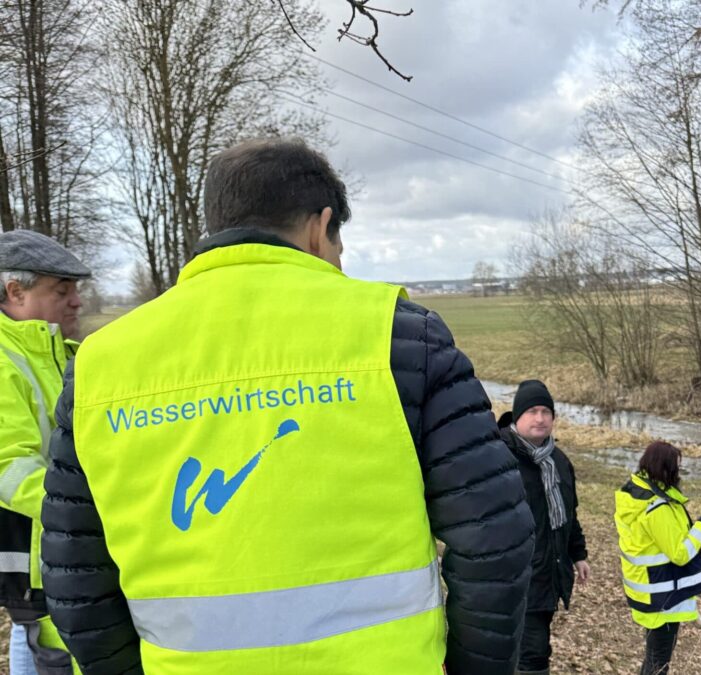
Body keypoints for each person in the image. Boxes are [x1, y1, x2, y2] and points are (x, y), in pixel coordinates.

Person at [40, 137, 535, 675]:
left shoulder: (99, 363)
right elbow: (494, 540)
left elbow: (75, 576)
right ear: (320, 228)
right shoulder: (400, 336)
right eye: (338, 249)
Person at [0, 230, 90, 675]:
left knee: (32, 635)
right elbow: (7, 465)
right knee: (45, 640)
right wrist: (81, 508)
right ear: (15, 292)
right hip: (43, 556)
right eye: (62, 290)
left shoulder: (64, 353)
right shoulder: (3, 359)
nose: (76, 302)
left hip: (55, 553)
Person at [496, 379, 588, 675]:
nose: (540, 418)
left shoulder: (558, 461)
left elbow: (568, 515)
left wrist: (579, 554)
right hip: (514, 578)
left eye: (546, 412)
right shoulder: (498, 458)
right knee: (532, 653)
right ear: (518, 416)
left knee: (532, 647)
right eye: (532, 411)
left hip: (550, 573)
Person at [615, 441, 701, 675]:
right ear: (665, 470)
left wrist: (694, 537)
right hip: (661, 594)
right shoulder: (657, 507)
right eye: (677, 468)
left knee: (653, 657)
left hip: (648, 589)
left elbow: (666, 539)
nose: (679, 474)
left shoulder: (637, 492)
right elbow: (680, 553)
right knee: (659, 663)